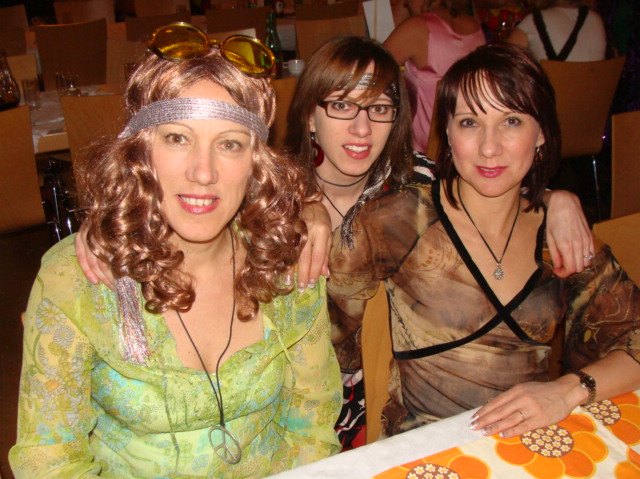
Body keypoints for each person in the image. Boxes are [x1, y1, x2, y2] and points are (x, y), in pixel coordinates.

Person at [76, 36, 593, 449]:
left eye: (381, 108)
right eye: (342, 105)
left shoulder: (413, 183)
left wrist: (556, 198)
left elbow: (491, 179)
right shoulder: (260, 189)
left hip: (387, 400)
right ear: (309, 115)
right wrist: (107, 226)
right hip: (278, 394)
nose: (362, 128)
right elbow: (180, 203)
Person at [9, 24, 341, 479]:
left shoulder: (286, 265)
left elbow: (313, 420)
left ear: (255, 163)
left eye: (229, 144)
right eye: (177, 138)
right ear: (139, 152)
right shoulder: (79, 279)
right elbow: (49, 461)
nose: (203, 173)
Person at [327, 42, 640, 441]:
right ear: (448, 132)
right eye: (469, 122)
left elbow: (633, 337)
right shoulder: (400, 219)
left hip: (534, 444)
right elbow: (319, 333)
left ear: (541, 133)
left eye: (511, 121)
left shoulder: (561, 237)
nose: (489, 148)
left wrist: (566, 391)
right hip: (429, 450)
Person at [384, 0, 485, 153]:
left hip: (423, 149)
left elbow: (370, 70)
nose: (405, 4)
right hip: (467, 138)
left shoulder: (418, 28)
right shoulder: (473, 25)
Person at [507, 0, 606, 61]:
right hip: (593, 89)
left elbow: (505, 58)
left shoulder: (535, 20)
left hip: (552, 89)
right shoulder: (596, 20)